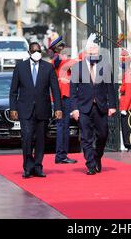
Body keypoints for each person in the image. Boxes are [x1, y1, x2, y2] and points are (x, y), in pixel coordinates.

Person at [9, 42, 62, 178]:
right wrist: (13, 108)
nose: (37, 53)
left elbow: (55, 90)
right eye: (34, 51)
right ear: (29, 53)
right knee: (27, 137)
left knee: (40, 140)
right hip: (25, 109)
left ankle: (38, 166)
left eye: (38, 51)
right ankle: (28, 166)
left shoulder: (48, 68)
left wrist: (58, 108)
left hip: (42, 109)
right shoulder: (20, 68)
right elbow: (13, 91)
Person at [70, 34, 116, 175]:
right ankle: (90, 164)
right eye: (90, 53)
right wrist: (74, 109)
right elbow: (73, 91)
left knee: (102, 135)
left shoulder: (105, 66)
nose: (93, 55)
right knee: (86, 137)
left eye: (95, 52)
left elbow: (110, 88)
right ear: (85, 53)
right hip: (83, 108)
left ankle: (97, 156)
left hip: (101, 107)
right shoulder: (77, 67)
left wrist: (112, 105)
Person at [49, 35, 78, 164]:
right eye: (62, 46)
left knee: (63, 126)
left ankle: (62, 154)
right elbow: (77, 61)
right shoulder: (59, 60)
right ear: (58, 48)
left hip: (62, 96)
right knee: (63, 126)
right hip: (62, 97)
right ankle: (61, 155)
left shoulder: (59, 60)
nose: (65, 48)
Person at [119, 48, 131, 152]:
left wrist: (124, 108)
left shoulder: (129, 74)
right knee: (125, 126)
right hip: (124, 103)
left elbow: (129, 92)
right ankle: (128, 144)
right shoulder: (126, 74)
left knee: (129, 126)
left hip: (128, 104)